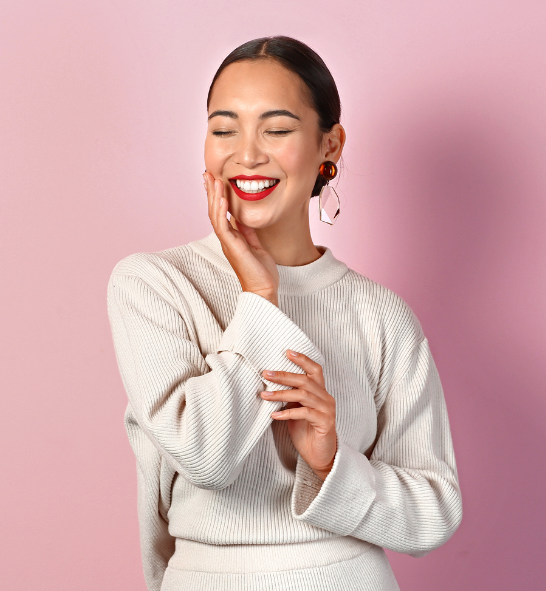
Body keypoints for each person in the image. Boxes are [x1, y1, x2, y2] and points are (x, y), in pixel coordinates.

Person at [106, 36, 462, 591]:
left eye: (275, 130)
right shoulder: (154, 286)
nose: (247, 154)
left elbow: (433, 511)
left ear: (329, 145)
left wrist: (330, 463)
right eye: (224, 129)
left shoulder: (382, 315)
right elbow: (206, 457)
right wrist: (260, 296)